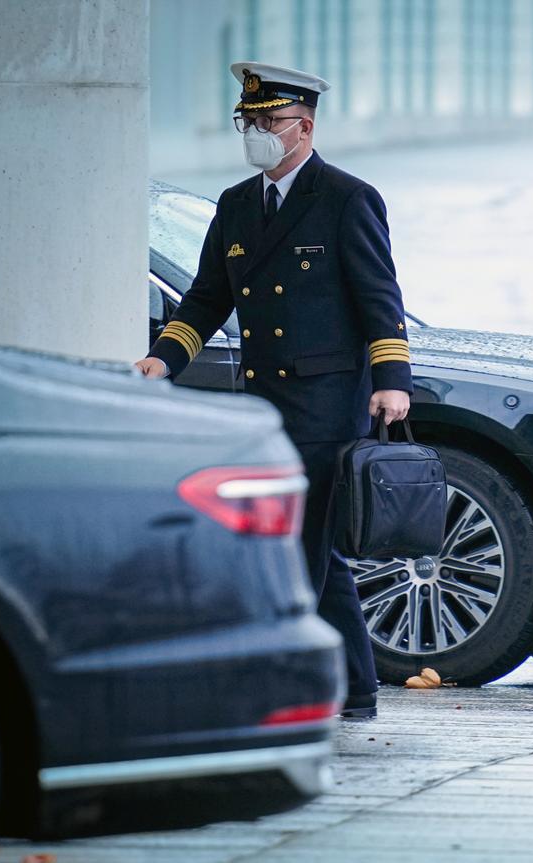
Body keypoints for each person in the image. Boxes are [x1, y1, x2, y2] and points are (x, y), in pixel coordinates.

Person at [134, 62, 413, 719]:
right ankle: (356, 687)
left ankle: (291, 681)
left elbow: (381, 299)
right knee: (311, 545)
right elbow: (205, 299)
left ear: (304, 127)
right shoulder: (235, 205)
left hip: (326, 403)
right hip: (262, 405)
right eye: (248, 121)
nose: (256, 133)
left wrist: (393, 383)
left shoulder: (347, 198)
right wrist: (162, 359)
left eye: (268, 122)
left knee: (299, 541)